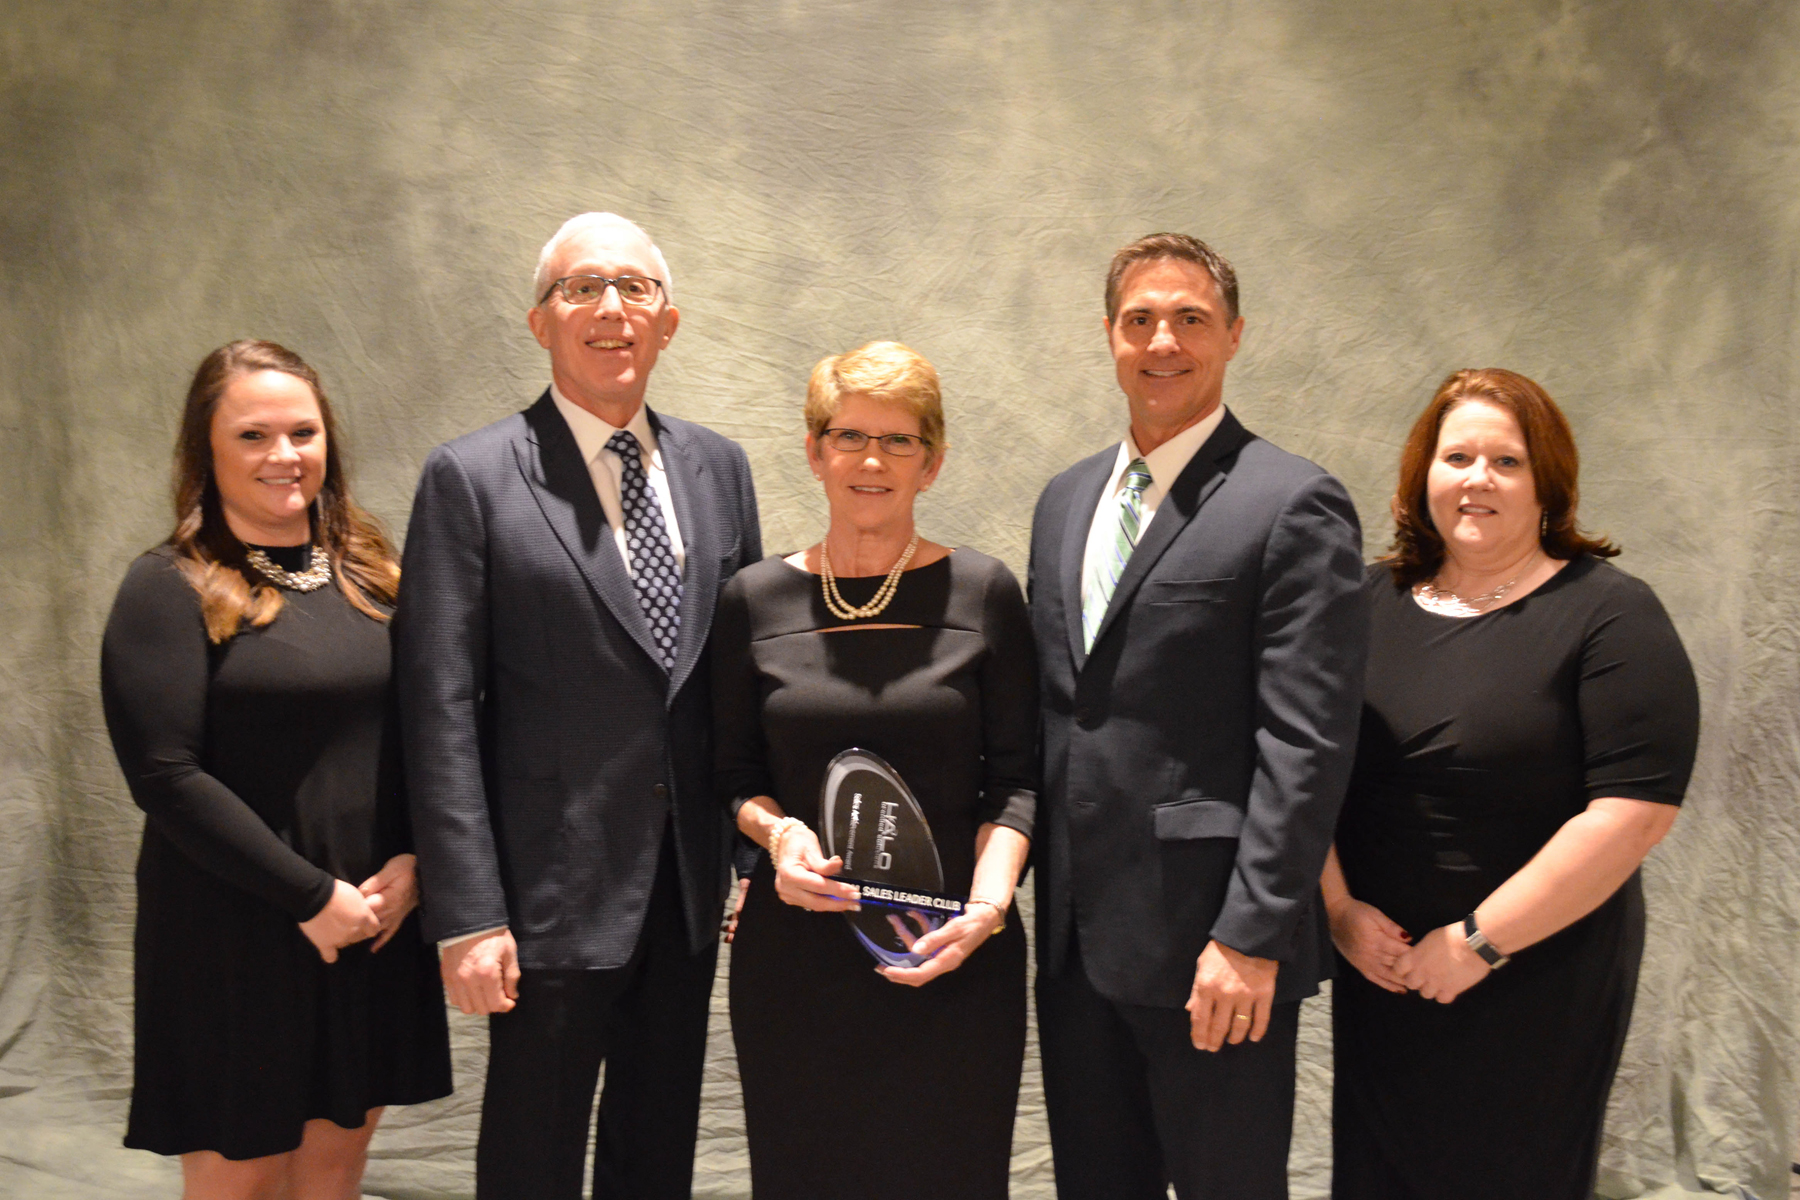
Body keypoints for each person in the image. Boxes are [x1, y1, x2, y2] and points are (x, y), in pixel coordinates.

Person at [394, 212, 761, 1200]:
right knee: (533, 1158)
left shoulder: (719, 470)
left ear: (668, 322)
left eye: (635, 288)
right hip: (544, 895)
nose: (610, 308)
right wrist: (468, 913)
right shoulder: (471, 478)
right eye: (582, 287)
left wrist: (745, 857)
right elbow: (436, 708)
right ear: (540, 321)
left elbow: (739, 682)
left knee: (656, 1153)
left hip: (685, 889)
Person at [1027, 234, 1367, 1199]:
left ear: (1234, 335)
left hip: (1213, 944)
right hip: (1076, 940)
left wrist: (1252, 936)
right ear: (1109, 334)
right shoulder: (1064, 501)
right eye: (1139, 320)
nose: (1163, 341)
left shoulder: (1291, 502)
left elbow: (1306, 744)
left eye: (1190, 318)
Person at [1323, 368, 1700, 1199]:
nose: (1478, 480)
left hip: (1534, 974)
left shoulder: (1611, 614)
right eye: (1457, 457)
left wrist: (1477, 943)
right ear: (1423, 474)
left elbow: (1634, 815)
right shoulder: (1362, 603)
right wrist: (1341, 912)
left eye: (1507, 461)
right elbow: (1304, 773)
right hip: (1383, 967)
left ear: (1547, 484)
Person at [99, 340, 451, 1200]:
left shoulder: (374, 573)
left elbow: (424, 731)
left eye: (303, 431)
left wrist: (414, 864)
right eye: (253, 435)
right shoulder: (167, 586)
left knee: (334, 1172)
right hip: (236, 930)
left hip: (373, 920)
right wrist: (310, 898)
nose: (284, 455)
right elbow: (165, 774)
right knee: (244, 1177)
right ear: (206, 449)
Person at [712, 341, 1037, 1200]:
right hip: (797, 964)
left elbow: (1019, 780)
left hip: (952, 949)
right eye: (849, 435)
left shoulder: (984, 592)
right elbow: (731, 773)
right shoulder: (752, 600)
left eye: (899, 440)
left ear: (932, 462)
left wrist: (986, 909)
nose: (871, 460)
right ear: (814, 451)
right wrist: (777, 836)